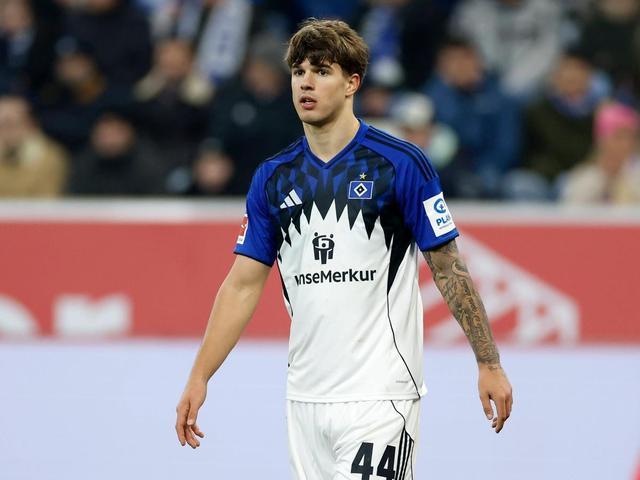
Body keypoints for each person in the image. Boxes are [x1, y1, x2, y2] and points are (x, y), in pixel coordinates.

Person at [175, 19, 513, 478]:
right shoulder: (272, 177)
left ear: (352, 83)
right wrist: (200, 375)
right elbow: (242, 285)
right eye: (298, 72)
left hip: (382, 394)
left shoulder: (401, 164)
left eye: (321, 71)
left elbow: (448, 268)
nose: (306, 82)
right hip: (305, 398)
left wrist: (488, 362)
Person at [562, 102, 640, 203]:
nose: (627, 143)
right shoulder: (583, 179)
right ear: (602, 139)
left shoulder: (636, 175)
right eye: (619, 137)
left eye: (631, 137)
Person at [0, 95, 68, 197]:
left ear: (30, 124)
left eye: (9, 124)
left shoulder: (51, 158)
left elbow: (48, 198)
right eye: (1, 126)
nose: (5, 131)